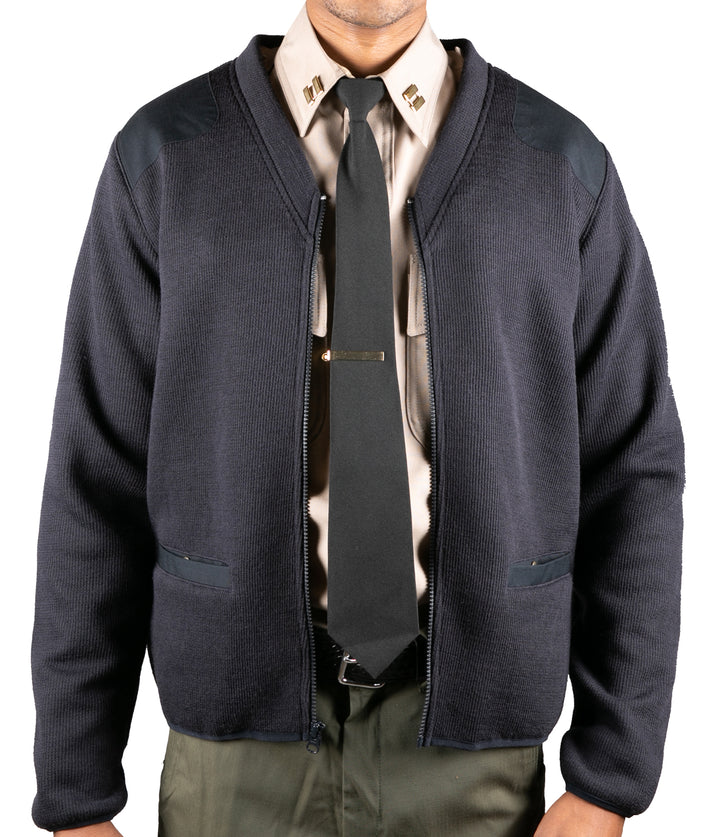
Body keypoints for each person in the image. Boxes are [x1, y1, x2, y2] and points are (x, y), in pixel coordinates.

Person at [31, 0, 685, 835]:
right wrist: (77, 790)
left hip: (476, 752)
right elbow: (95, 474)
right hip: (235, 752)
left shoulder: (560, 166)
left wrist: (607, 779)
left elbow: (634, 471)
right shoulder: (163, 157)